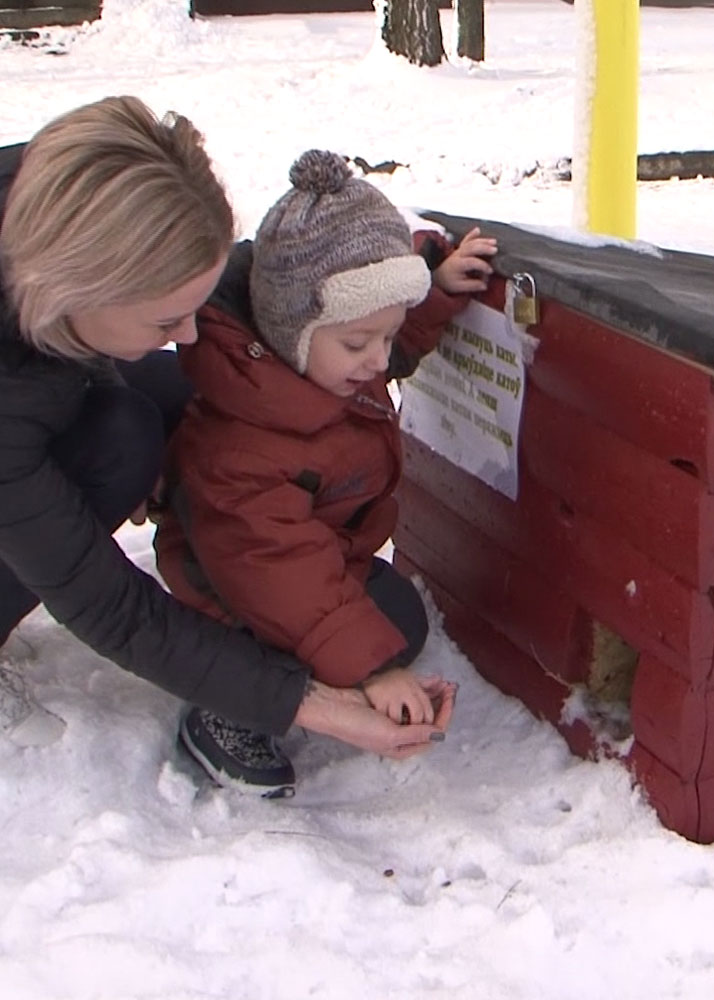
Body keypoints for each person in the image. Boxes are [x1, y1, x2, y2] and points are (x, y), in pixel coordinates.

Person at [0, 97, 452, 763]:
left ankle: (242, 573)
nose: (183, 336)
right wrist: (303, 702)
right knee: (119, 442)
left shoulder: (77, 195)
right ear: (80, 293)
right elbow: (106, 604)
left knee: (197, 390)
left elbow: (259, 297)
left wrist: (394, 272)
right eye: (162, 323)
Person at [152, 149, 497, 796]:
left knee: (396, 622)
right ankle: (225, 712)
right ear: (290, 332)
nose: (379, 360)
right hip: (237, 583)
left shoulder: (318, 363)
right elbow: (279, 566)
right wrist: (370, 671)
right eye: (358, 344)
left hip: (320, 550)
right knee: (341, 642)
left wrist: (435, 288)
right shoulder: (245, 440)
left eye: (388, 337)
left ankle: (325, 657)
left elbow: (373, 323)